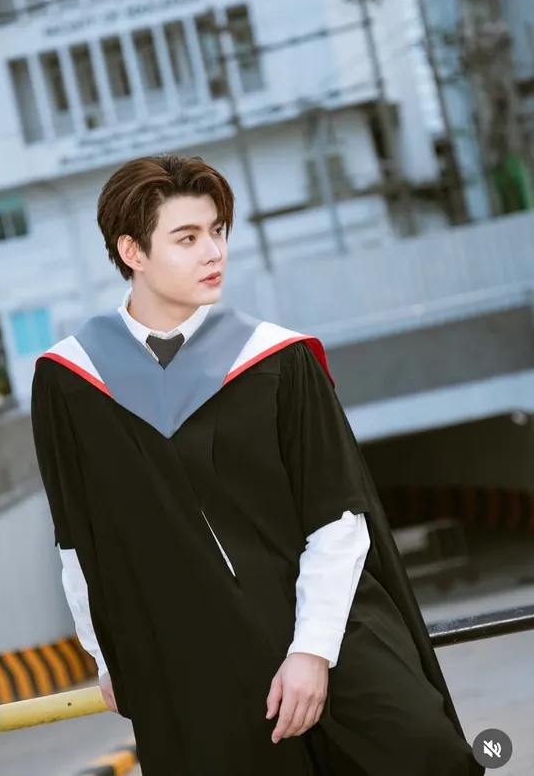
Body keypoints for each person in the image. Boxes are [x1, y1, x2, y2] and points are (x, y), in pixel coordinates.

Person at [31, 155, 483, 776]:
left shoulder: (276, 359)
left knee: (425, 752)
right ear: (133, 252)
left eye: (217, 231)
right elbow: (78, 539)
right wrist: (108, 656)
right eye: (187, 238)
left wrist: (312, 652)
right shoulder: (72, 382)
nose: (213, 251)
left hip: (329, 627)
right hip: (193, 651)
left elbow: (338, 515)